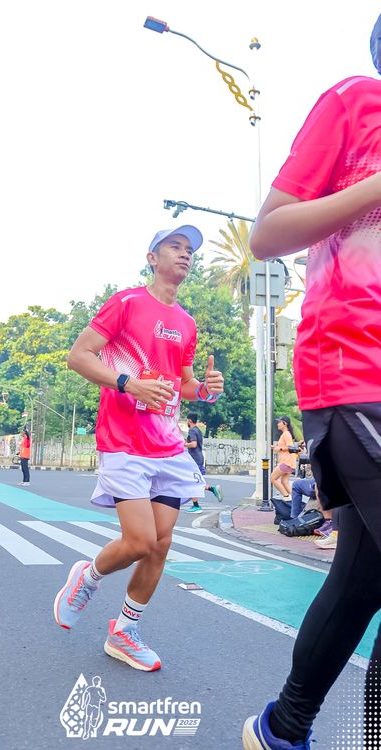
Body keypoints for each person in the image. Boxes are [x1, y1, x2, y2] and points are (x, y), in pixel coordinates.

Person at [243, 14, 381, 750]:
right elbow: (268, 233)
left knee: (363, 578)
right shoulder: (357, 101)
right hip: (358, 369)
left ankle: (281, 728)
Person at [53, 225, 224, 670]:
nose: (185, 255)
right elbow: (79, 356)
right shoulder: (127, 303)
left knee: (160, 544)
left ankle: (124, 632)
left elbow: (183, 384)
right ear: (152, 257)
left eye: (190, 250)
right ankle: (88, 576)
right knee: (140, 540)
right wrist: (129, 383)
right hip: (124, 441)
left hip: (167, 445)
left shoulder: (187, 323)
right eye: (175, 247)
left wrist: (206, 391)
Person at [184, 413, 223, 512]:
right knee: (196, 481)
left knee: (192, 482)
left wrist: (183, 444)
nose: (186, 422)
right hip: (198, 458)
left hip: (194, 459)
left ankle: (196, 505)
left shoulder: (192, 430)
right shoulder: (198, 430)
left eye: (187, 420)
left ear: (190, 420)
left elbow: (193, 444)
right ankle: (212, 490)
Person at [270, 416, 297, 501]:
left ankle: (286, 497)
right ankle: (295, 499)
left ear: (285, 423)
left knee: (273, 478)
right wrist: (275, 447)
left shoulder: (286, 434)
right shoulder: (285, 434)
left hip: (286, 462)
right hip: (289, 462)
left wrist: (279, 448)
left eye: (279, 422)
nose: (278, 424)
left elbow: (290, 447)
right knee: (284, 482)